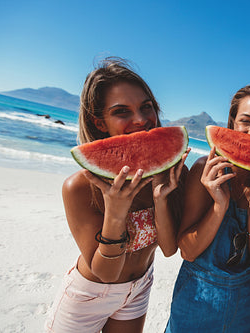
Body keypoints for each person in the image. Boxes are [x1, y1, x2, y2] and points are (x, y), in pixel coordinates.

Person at [45, 57, 188, 332]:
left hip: (139, 288)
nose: (141, 120)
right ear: (99, 122)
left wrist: (161, 199)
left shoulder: (169, 174)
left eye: (147, 107)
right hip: (88, 296)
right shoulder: (78, 188)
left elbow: (169, 250)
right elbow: (106, 273)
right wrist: (116, 211)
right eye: (122, 111)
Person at [165, 85, 250, 332]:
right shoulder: (203, 170)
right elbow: (187, 251)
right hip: (196, 298)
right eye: (246, 121)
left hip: (246, 303)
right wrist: (220, 205)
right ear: (232, 123)